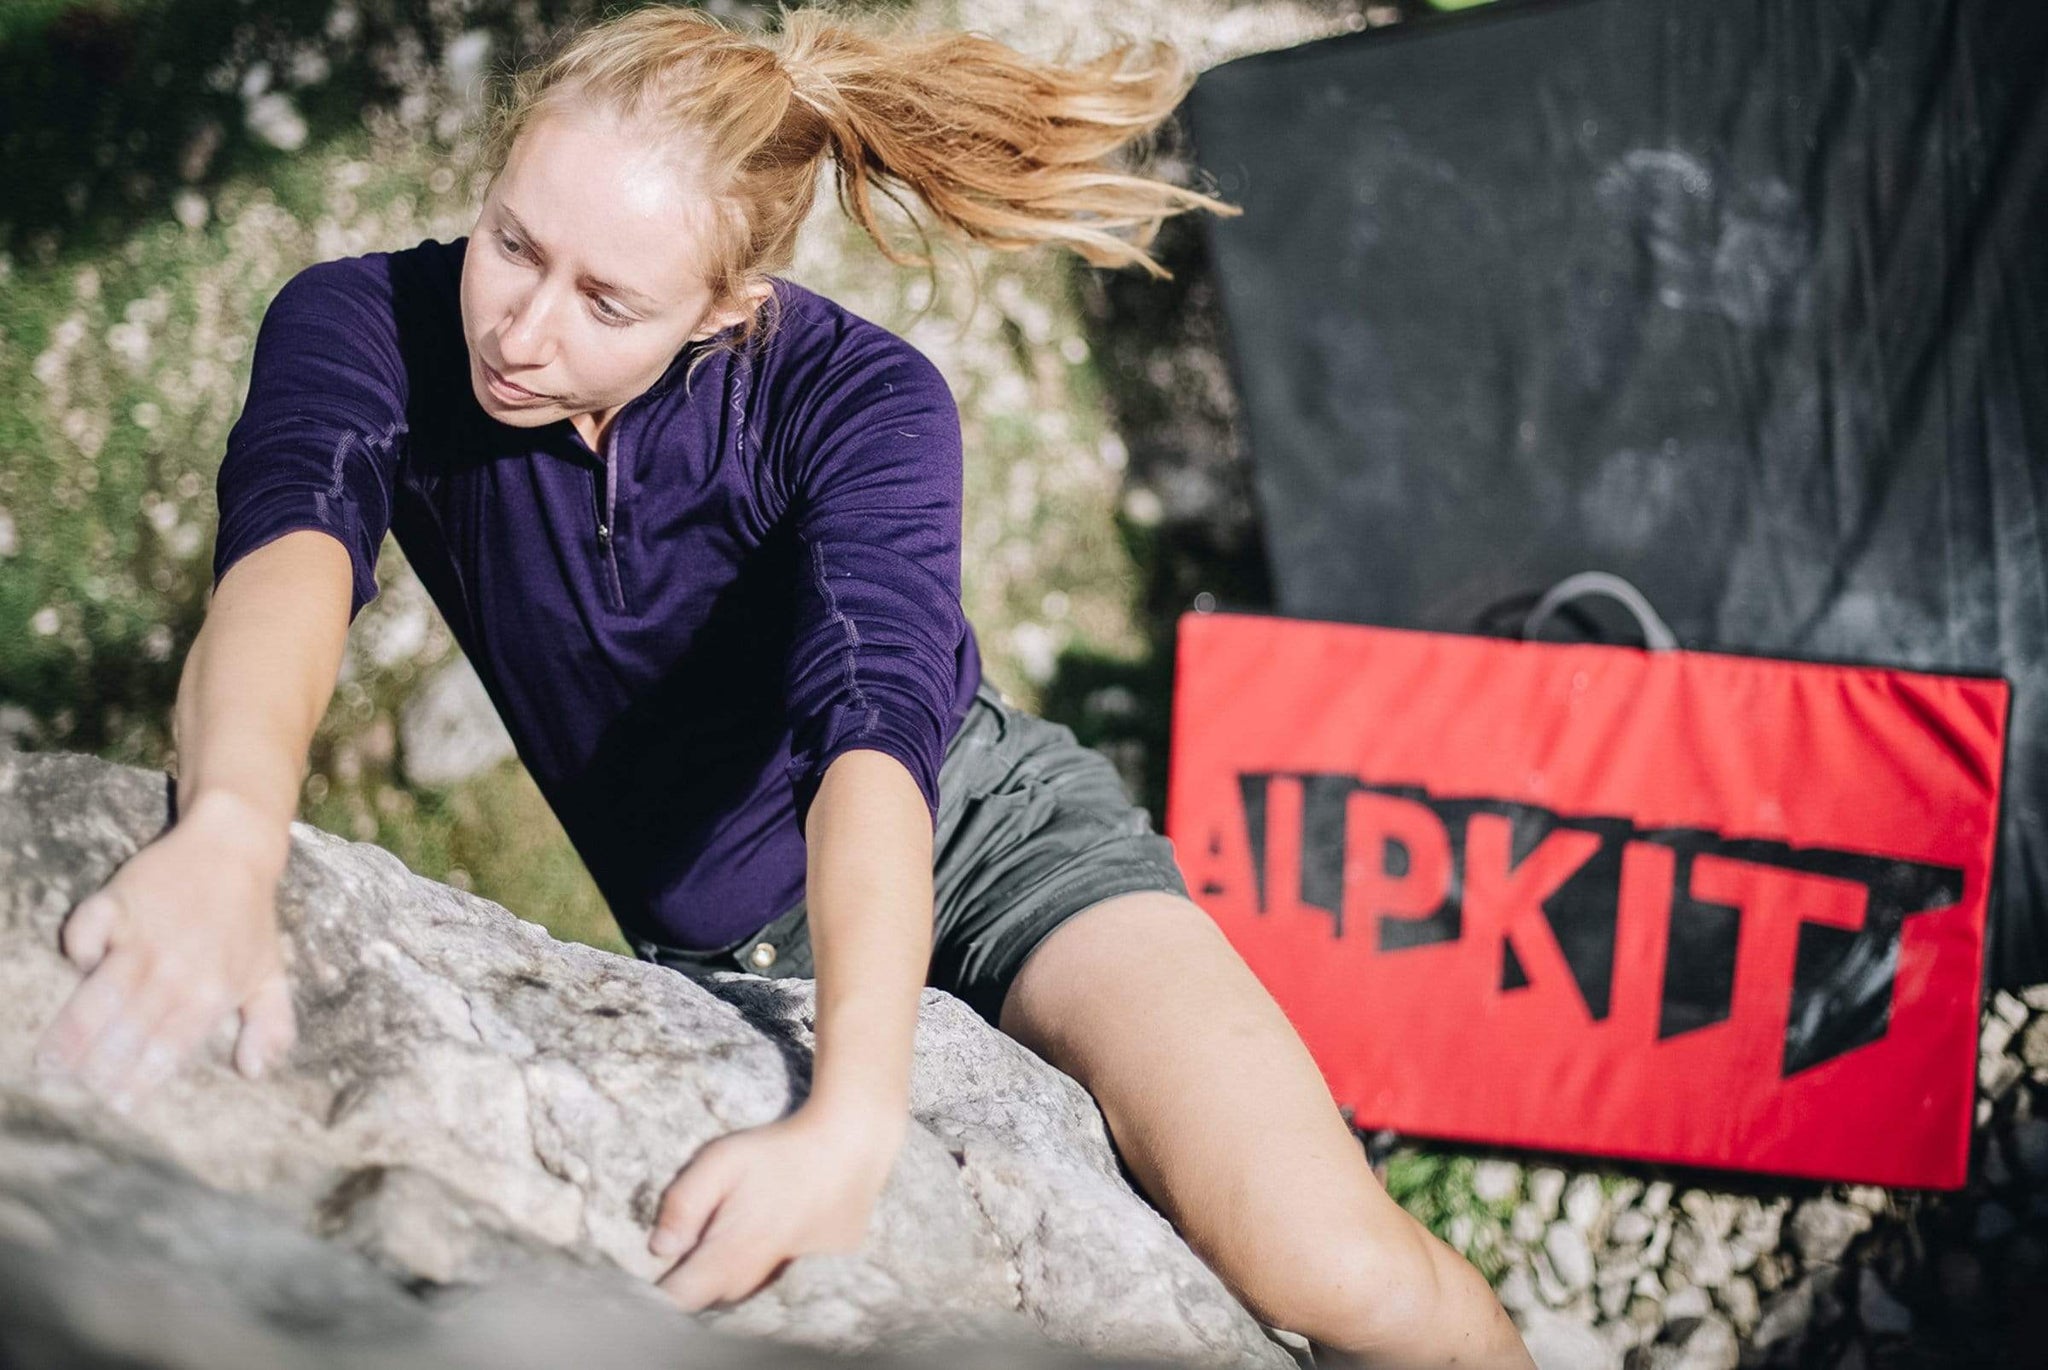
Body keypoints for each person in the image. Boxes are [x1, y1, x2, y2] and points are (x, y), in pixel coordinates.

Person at [31, 4, 1534, 1366]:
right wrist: (232, 827)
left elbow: (871, 727)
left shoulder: (858, 399)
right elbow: (289, 554)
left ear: (728, 301)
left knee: (1327, 1263)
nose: (523, 325)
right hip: (717, 949)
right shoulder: (366, 326)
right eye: (512, 242)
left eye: (607, 299)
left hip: (976, 840)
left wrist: (853, 1111)